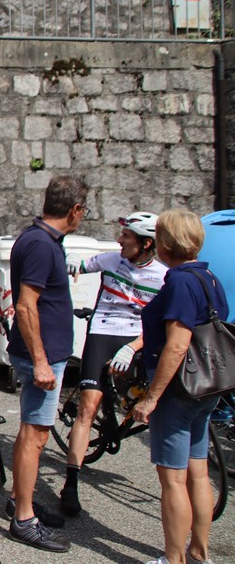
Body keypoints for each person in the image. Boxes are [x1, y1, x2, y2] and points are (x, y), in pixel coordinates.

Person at [132, 209, 229, 564]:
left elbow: (176, 345)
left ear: (164, 242)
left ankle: (174, 559)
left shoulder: (179, 283)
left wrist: (151, 399)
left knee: (173, 480)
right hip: (206, 386)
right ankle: (199, 552)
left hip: (179, 390)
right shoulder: (209, 278)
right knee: (198, 473)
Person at [59, 212, 167, 516]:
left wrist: (133, 347)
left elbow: (161, 325)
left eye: (126, 237)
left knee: (148, 397)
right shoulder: (110, 260)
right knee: (88, 407)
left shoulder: (163, 276)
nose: (119, 241)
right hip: (102, 332)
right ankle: (70, 484)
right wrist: (70, 262)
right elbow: (79, 265)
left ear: (146, 244)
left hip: (136, 338)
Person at [4, 174, 89, 553]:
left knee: (31, 432)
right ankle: (24, 519)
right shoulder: (40, 244)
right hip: (42, 358)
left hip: (44, 354)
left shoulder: (41, 239)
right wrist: (41, 362)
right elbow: (25, 305)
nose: (83, 216)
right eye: (83, 210)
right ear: (74, 209)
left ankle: (20, 501)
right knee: (35, 435)